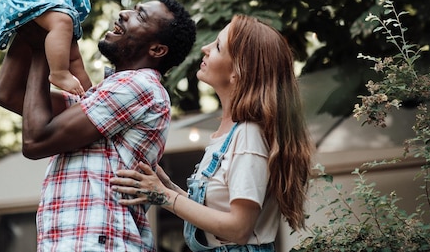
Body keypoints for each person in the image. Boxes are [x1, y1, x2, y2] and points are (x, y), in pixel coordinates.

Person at [0, 0, 197, 252]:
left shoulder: (138, 86)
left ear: (157, 50)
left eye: (140, 16)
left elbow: (36, 141)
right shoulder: (108, 95)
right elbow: (8, 94)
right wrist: (38, 20)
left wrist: (43, 45)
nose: (124, 13)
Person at [111, 15, 313, 252]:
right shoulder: (231, 134)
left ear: (237, 72)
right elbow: (218, 216)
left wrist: (164, 196)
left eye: (217, 47)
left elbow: (239, 228)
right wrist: (168, 188)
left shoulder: (248, 135)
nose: (205, 49)